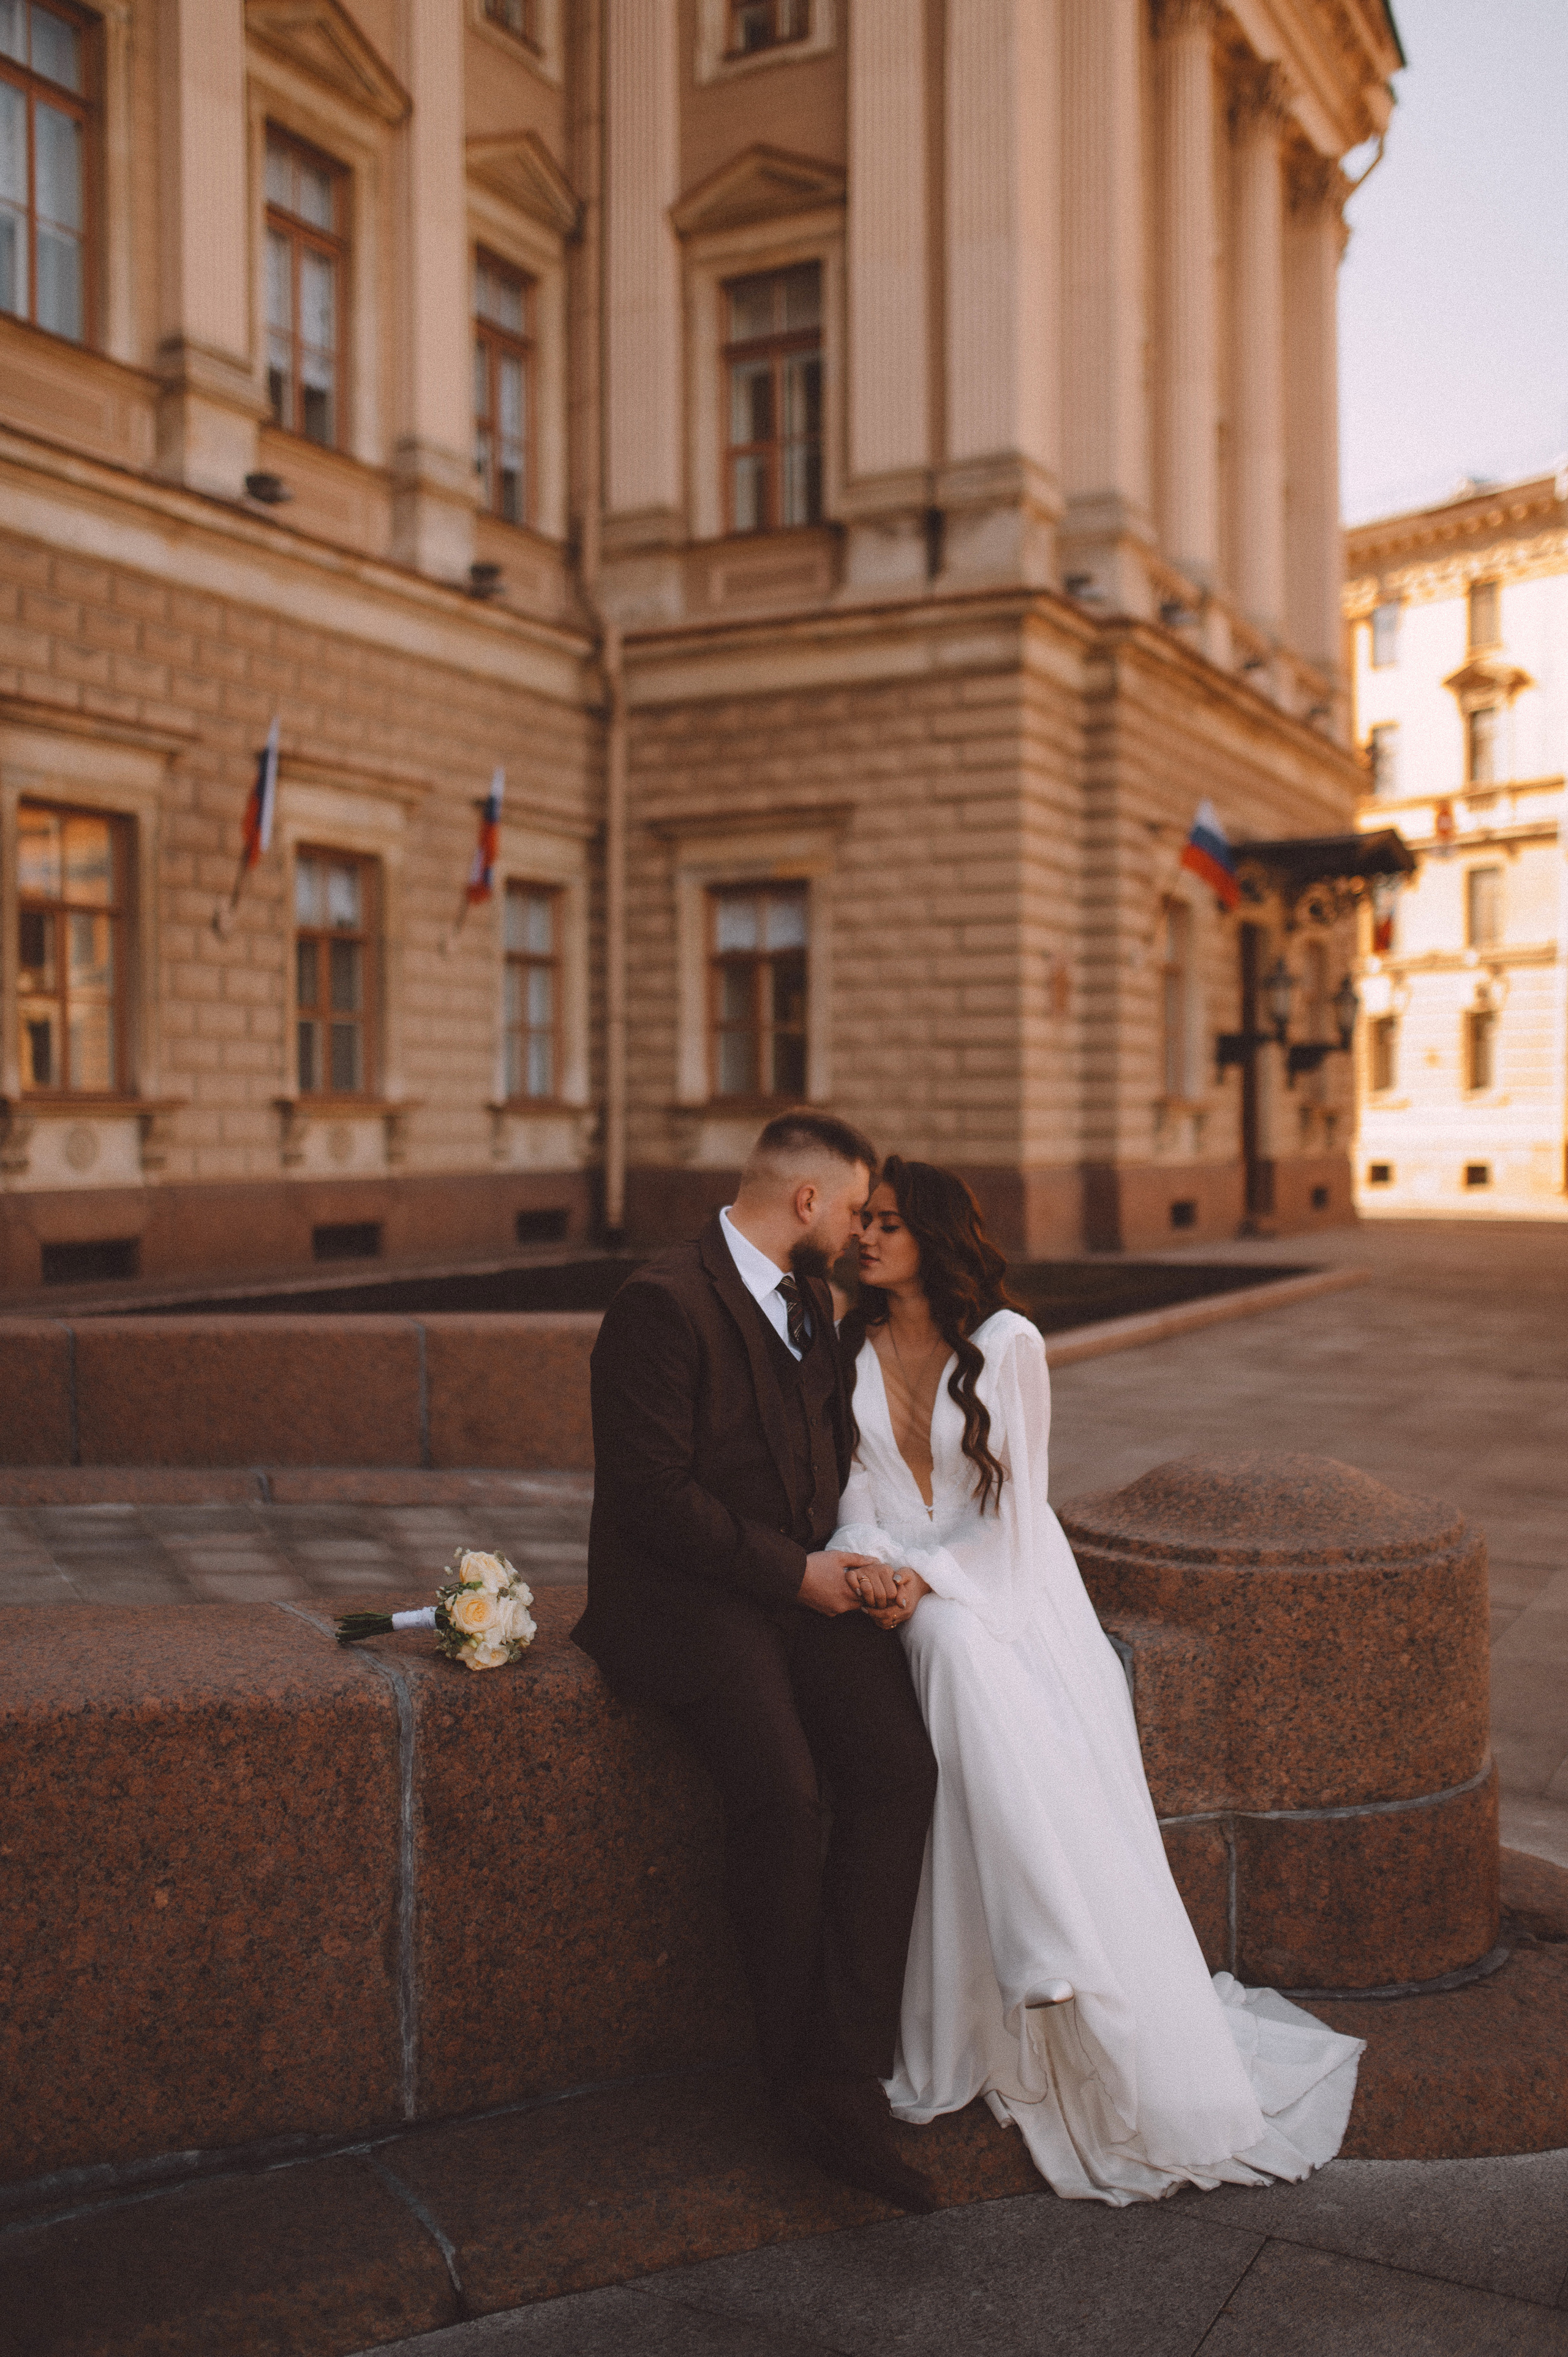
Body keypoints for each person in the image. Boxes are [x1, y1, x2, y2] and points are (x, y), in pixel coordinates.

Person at [832, 1157, 1365, 2205]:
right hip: (895, 1582)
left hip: (1009, 1594)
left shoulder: (1009, 1344)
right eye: (866, 1223)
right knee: (940, 1646)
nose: (868, 1239)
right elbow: (856, 1488)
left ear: (934, 1236)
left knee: (951, 1648)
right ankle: (1042, 1948)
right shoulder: (850, 1349)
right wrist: (869, 1566)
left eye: (889, 1223)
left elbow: (1014, 1519)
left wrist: (922, 1582)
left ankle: (1052, 1954)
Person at [573, 1113, 941, 2212]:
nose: (864, 1230)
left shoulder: (814, 1303)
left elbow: (831, 1464)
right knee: (784, 1798)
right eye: (858, 1208)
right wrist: (797, 1577)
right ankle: (803, 2091)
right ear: (808, 1204)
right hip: (686, 1599)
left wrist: (866, 1564)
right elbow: (651, 1495)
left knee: (897, 1771)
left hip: (799, 1586)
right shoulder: (661, 1302)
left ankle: (847, 2062)